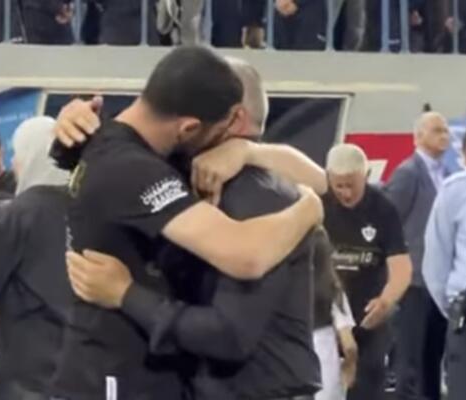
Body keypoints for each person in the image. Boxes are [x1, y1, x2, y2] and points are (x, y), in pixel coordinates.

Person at [49, 46, 324, 400]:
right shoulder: (132, 167)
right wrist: (309, 210)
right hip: (113, 375)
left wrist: (248, 150)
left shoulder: (137, 149)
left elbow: (325, 181)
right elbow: (245, 256)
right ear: (189, 127)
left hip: (150, 375)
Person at [0, 116, 71, 400]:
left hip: (27, 372)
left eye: (18, 154)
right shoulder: (89, 207)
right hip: (78, 365)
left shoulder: (17, 213)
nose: (13, 164)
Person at [322, 143, 413, 400]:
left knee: (367, 387)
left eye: (352, 185)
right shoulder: (317, 205)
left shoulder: (383, 210)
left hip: (368, 318)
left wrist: (387, 300)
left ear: (367, 175)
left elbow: (401, 267)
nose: (346, 193)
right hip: (324, 317)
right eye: (339, 186)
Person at [384, 112, 450, 400]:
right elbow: (388, 221)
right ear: (418, 137)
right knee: (409, 361)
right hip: (413, 283)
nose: (444, 135)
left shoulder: (447, 176)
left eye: (445, 130)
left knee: (432, 359)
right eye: (437, 130)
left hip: (439, 283)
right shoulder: (408, 173)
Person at [423, 127, 466, 400]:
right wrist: (455, 309)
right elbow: (435, 266)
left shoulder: (453, 190)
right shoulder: (456, 191)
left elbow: (436, 264)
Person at [312, 228, 358, 400]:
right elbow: (349, 345)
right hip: (326, 378)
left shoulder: (284, 289)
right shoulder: (333, 291)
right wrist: (350, 366)